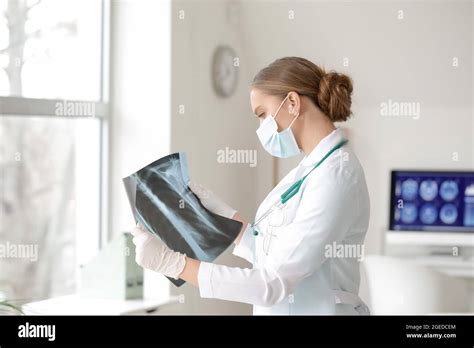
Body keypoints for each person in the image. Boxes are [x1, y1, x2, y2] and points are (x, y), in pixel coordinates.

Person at [130, 56, 371, 315]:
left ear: (292, 102)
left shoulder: (337, 176)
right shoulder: (308, 170)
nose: (261, 128)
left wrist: (176, 265)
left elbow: (272, 283)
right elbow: (273, 252)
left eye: (262, 115)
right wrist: (228, 220)